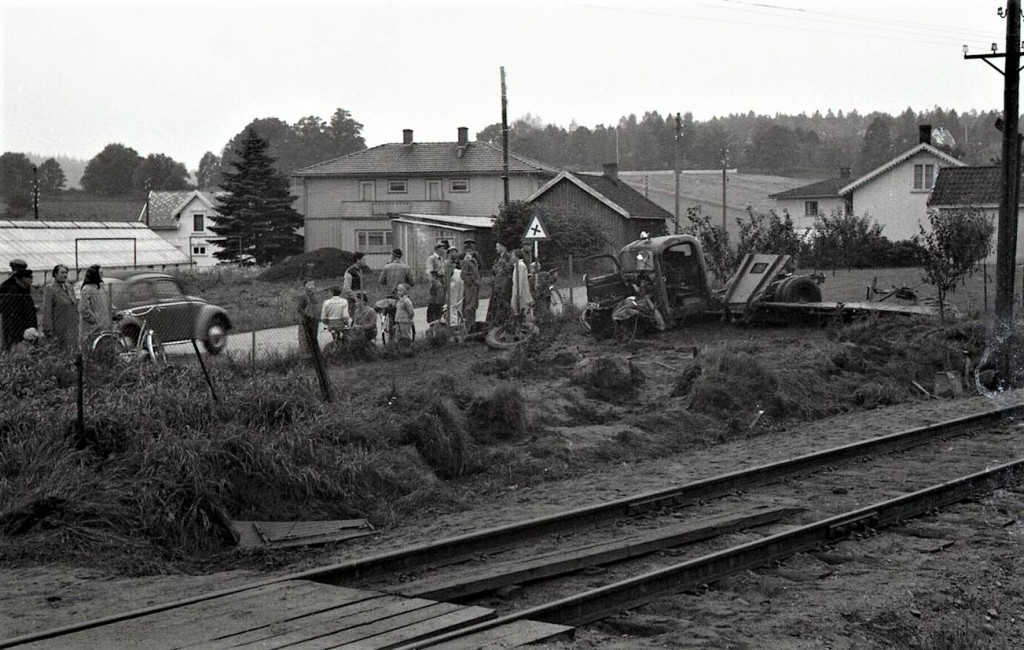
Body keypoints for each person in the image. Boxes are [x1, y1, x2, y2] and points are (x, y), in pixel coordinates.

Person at [41, 264, 78, 351]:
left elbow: (74, 305)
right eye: (62, 273)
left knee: (72, 350)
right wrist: (47, 329)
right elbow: (47, 310)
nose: (65, 275)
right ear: (55, 274)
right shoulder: (50, 289)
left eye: (66, 273)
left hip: (71, 326)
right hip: (58, 327)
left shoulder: (69, 288)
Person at [0, 268, 37, 351]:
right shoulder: (14, 292)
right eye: (29, 277)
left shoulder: (25, 290)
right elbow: (13, 315)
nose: (32, 279)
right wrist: (21, 334)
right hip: (18, 333)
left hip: (28, 329)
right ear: (22, 279)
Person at [78, 265, 111, 345]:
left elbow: (108, 303)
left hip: (104, 327)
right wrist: (95, 319)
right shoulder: (87, 289)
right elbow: (84, 309)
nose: (102, 275)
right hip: (92, 329)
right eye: (100, 273)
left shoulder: (102, 287)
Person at [485, 241, 514, 324]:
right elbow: (493, 269)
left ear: (503, 247)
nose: (496, 248)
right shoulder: (498, 258)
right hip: (497, 283)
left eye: (497, 246)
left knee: (503, 302)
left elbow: (508, 268)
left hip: (505, 284)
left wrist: (499, 270)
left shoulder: (509, 257)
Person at [295, 280, 320, 353]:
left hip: (315, 320)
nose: (312, 286)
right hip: (306, 322)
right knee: (305, 339)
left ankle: (315, 354)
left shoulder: (314, 295)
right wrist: (306, 316)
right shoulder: (303, 296)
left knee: (314, 339)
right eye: (309, 284)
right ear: (305, 286)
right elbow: (299, 308)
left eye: (313, 284)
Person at [425, 242, 446, 323]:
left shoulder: (441, 259)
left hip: (442, 281)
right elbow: (429, 271)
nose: (444, 250)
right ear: (437, 249)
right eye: (442, 248)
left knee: (440, 301)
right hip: (436, 282)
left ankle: (439, 318)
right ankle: (432, 319)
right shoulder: (432, 258)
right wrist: (434, 281)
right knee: (434, 301)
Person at [460, 244, 481, 328]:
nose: (470, 253)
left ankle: (472, 325)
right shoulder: (465, 262)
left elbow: (476, 273)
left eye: (471, 251)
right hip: (470, 286)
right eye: (468, 251)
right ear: (465, 252)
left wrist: (477, 282)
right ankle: (468, 326)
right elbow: (463, 275)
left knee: (474, 305)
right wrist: (471, 281)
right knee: (469, 306)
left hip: (475, 285)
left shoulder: (474, 261)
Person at [511, 248, 533, 316]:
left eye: (512, 255)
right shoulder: (518, 265)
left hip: (521, 295)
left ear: (517, 256)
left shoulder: (520, 266)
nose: (511, 258)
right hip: (521, 294)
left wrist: (516, 295)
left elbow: (519, 281)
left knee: (523, 313)